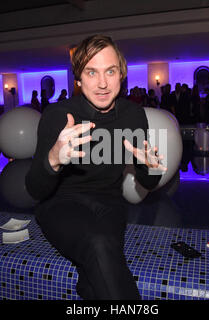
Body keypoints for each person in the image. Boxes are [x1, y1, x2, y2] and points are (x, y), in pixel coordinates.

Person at [25, 34, 166, 300]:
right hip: (60, 203)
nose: (102, 83)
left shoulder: (133, 115)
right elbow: (34, 189)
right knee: (99, 244)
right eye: (92, 72)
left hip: (109, 204)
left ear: (121, 75)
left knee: (95, 274)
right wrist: (53, 158)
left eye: (110, 71)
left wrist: (151, 168)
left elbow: (147, 183)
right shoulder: (59, 115)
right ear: (78, 79)